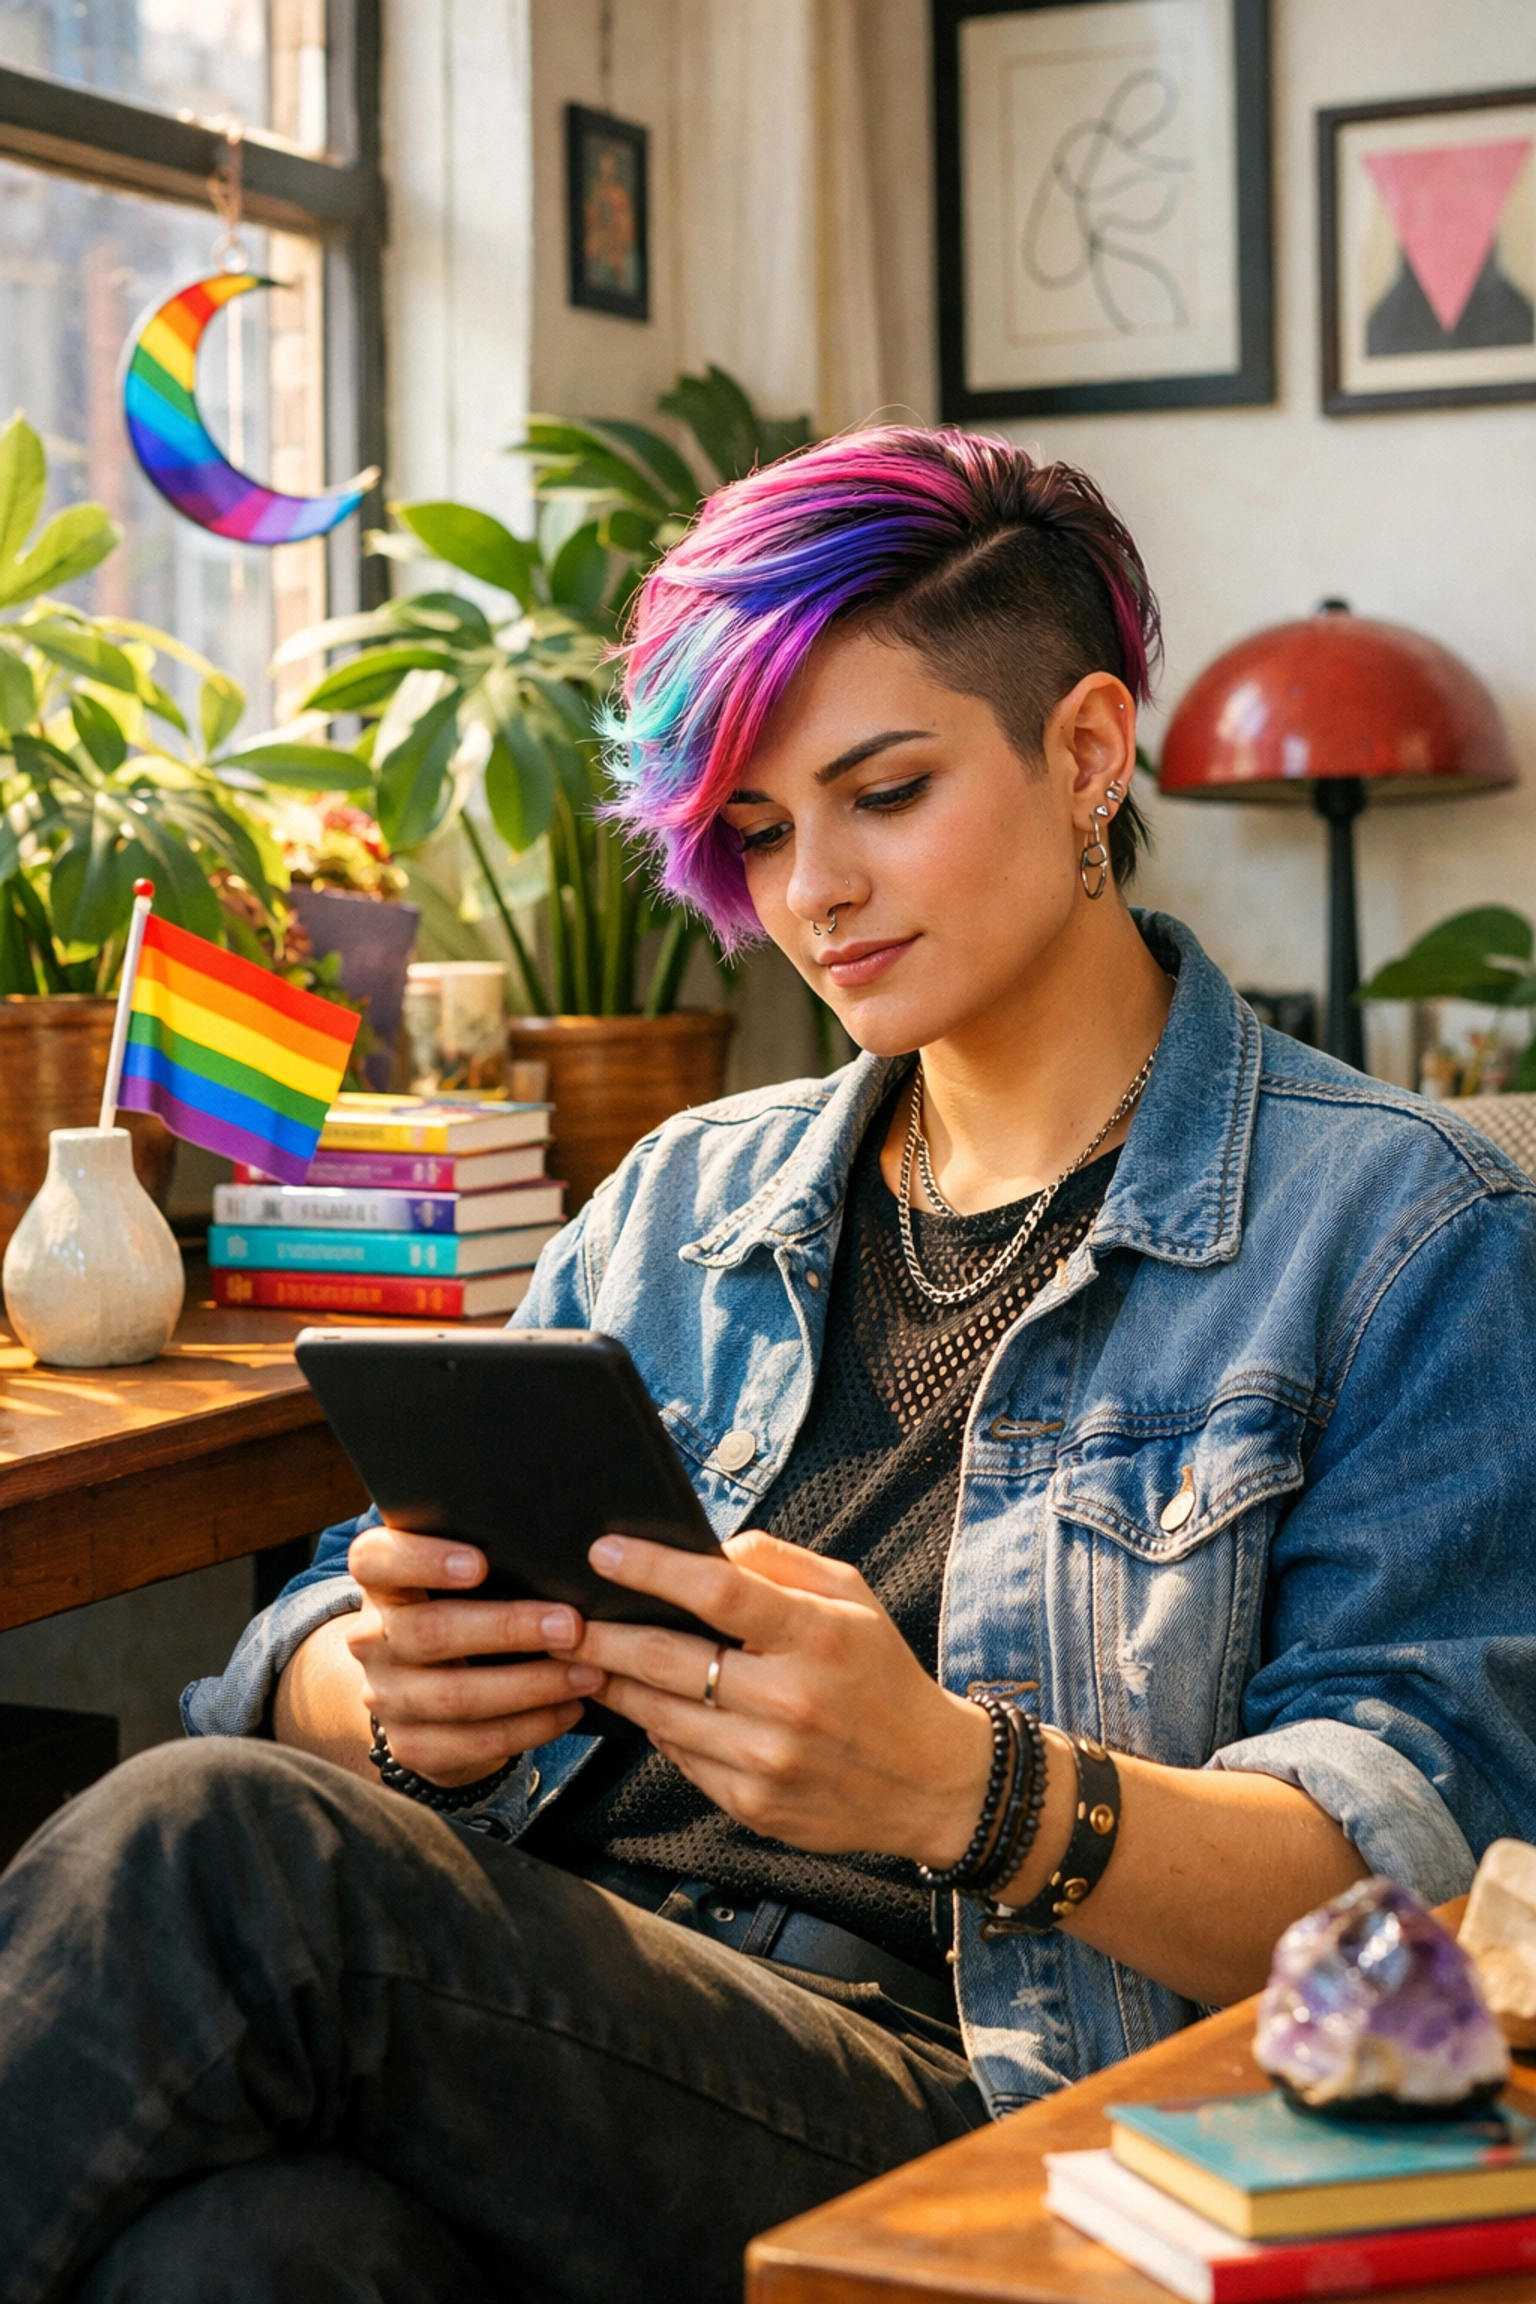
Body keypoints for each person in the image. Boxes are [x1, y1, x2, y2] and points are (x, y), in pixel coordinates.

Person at [3, 429, 1534, 2304]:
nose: (812, 892)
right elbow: (304, 1642)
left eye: (882, 793)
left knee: (220, 1853)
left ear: (1085, 751)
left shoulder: (1400, 1228)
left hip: (986, 2096)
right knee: (239, 2253)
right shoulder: (686, 1195)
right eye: (755, 831)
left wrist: (963, 1791)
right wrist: (380, 1692)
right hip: (564, 2007)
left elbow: (1431, 1896)